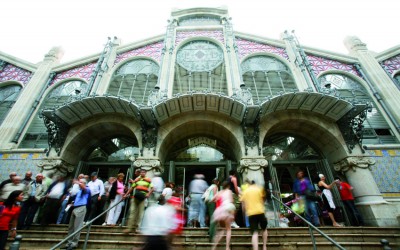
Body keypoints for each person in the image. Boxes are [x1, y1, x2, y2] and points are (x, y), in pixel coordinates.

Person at [61, 178, 91, 250]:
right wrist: (72, 203)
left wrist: (78, 182)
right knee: (71, 227)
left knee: (77, 227)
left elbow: (84, 189)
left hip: (81, 208)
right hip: (74, 208)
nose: (78, 184)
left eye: (81, 182)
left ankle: (74, 244)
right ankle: (69, 243)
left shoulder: (87, 189)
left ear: (84, 183)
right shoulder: (79, 191)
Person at [240, 181, 268, 250]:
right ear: (255, 184)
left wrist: (245, 212)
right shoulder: (259, 189)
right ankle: (264, 246)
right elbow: (263, 200)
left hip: (251, 213)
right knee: (264, 229)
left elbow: (243, 205)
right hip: (260, 211)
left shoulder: (245, 191)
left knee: (254, 232)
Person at [123, 169, 153, 233]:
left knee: (140, 214)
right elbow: (132, 187)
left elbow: (152, 188)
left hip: (142, 198)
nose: (142, 173)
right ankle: (129, 228)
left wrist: (148, 194)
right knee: (132, 213)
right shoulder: (137, 179)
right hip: (135, 197)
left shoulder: (148, 179)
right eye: (141, 172)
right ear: (140, 173)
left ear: (145, 173)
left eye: (144, 172)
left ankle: (137, 228)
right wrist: (126, 194)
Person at [211, 181, 236, 250]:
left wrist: (216, 200)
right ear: (228, 186)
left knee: (221, 229)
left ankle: (214, 246)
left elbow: (212, 199)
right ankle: (227, 247)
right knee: (228, 229)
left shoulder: (220, 192)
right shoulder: (229, 191)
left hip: (220, 211)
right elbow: (231, 201)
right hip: (228, 209)